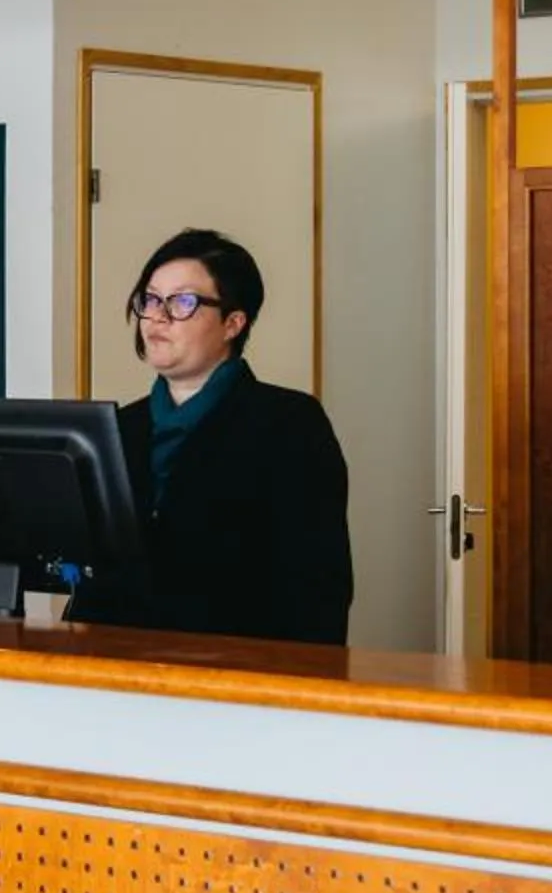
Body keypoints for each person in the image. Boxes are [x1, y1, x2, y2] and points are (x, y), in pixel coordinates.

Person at [69, 228, 352, 645]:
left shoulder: (289, 423)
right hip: (119, 673)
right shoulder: (120, 428)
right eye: (149, 300)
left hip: (239, 676)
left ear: (233, 323)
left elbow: (318, 587)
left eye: (183, 302)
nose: (158, 317)